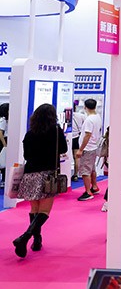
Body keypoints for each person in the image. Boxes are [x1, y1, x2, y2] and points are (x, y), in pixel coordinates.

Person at [13, 103, 68, 258]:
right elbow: (63, 149)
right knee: (44, 211)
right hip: (48, 175)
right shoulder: (56, 131)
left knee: (34, 209)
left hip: (30, 174)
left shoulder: (30, 134)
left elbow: (26, 156)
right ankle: (25, 237)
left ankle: (37, 240)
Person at [76, 98, 103, 201]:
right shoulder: (97, 117)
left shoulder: (89, 120)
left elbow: (87, 135)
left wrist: (80, 149)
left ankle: (88, 192)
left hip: (87, 148)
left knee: (85, 171)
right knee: (92, 169)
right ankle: (94, 187)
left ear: (85, 107)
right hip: (93, 146)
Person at [70, 103, 85, 180]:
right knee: (77, 157)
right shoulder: (80, 116)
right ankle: (76, 174)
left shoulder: (65, 116)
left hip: (68, 138)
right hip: (77, 138)